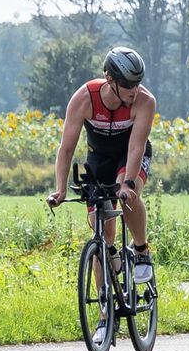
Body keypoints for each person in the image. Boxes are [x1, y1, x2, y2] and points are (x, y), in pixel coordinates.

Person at [47, 46, 157, 301]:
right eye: (128, 85)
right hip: (99, 158)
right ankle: (103, 314)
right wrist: (61, 189)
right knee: (102, 232)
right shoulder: (85, 98)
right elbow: (66, 148)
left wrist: (128, 184)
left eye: (137, 83)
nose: (134, 91)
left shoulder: (145, 101)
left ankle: (141, 249)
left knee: (126, 195)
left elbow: (136, 146)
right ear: (109, 78)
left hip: (129, 156)